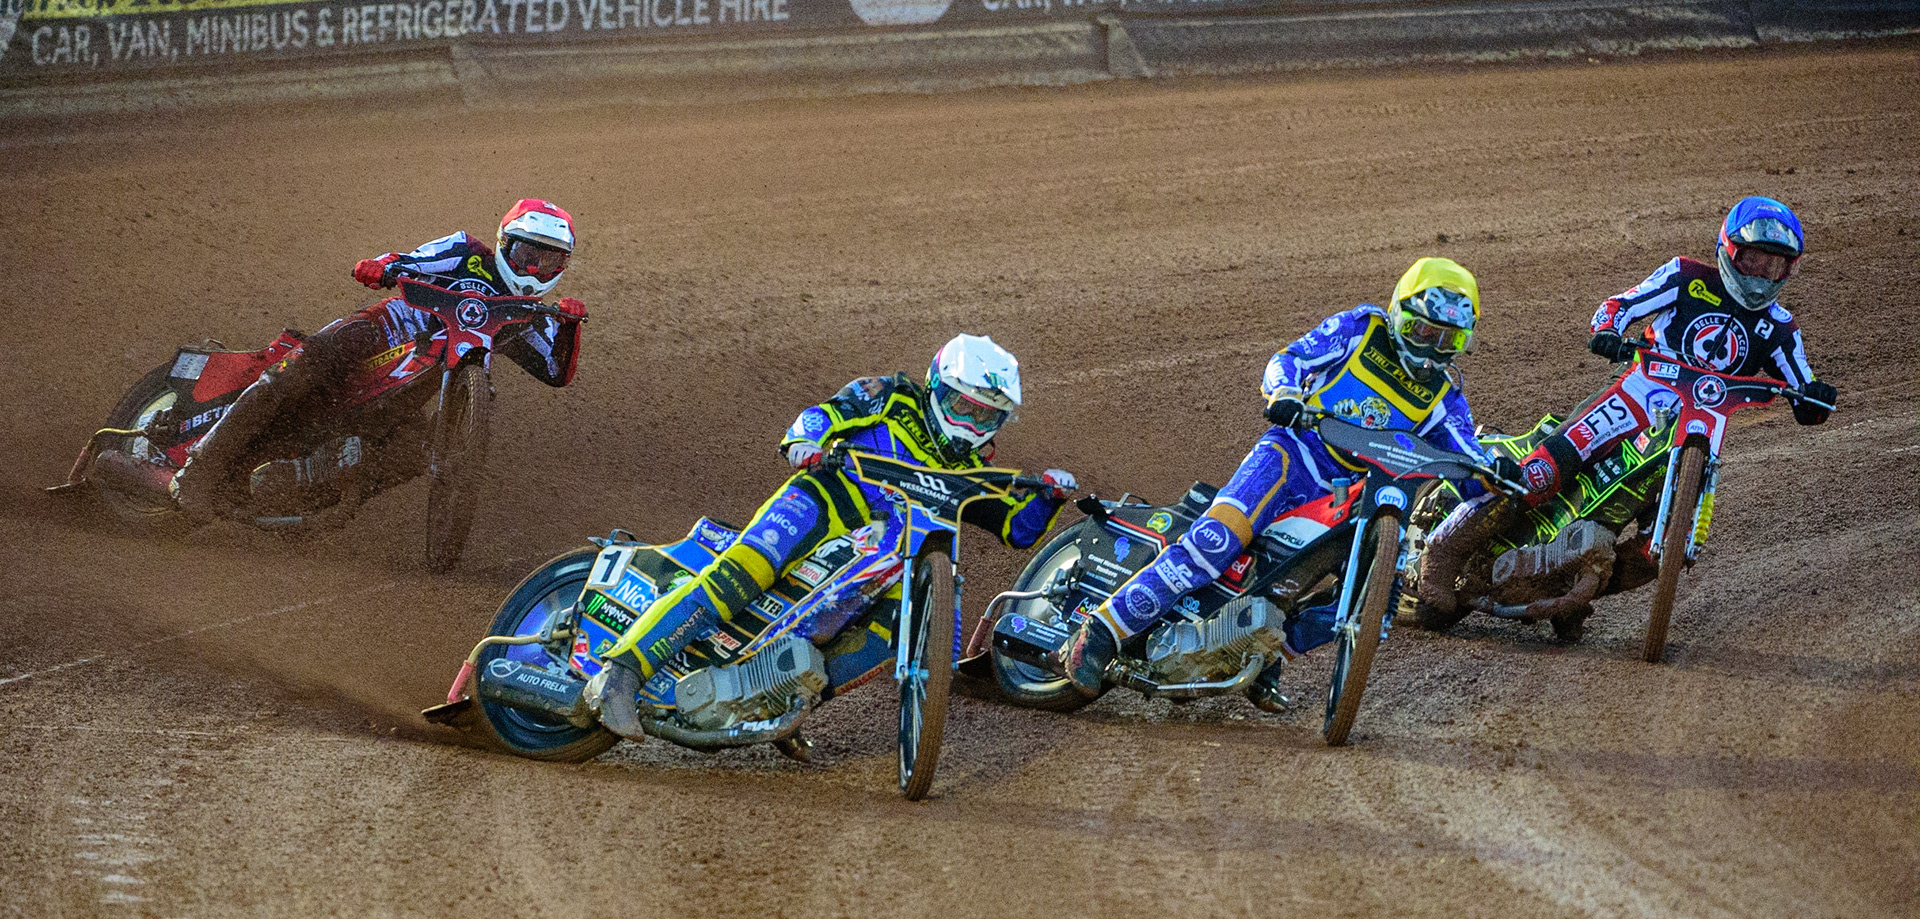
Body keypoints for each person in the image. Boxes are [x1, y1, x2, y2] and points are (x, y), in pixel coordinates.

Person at [1057, 257, 1522, 707]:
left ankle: (1262, 656)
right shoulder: (1360, 329)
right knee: (1215, 544)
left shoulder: (1446, 398)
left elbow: (1467, 460)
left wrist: (1497, 473)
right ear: (1400, 315)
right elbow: (1291, 358)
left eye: (1447, 340)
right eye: (1423, 332)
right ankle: (1100, 632)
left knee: (1371, 605)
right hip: (1291, 454)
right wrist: (1283, 393)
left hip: (1347, 494)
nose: (1430, 349)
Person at [586, 334, 1080, 739]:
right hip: (822, 502)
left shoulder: (972, 468)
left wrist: (1049, 498)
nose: (971, 424)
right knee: (748, 570)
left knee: (885, 635)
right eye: (963, 407)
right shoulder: (891, 395)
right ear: (936, 385)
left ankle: (777, 707)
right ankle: (619, 674)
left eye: (986, 416)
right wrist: (806, 442)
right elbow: (824, 414)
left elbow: (1017, 530)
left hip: (886, 551)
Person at [1418, 197, 1838, 614]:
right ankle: (1440, 556)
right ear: (1729, 251)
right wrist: (1608, 330)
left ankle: (1564, 586)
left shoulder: (1780, 328)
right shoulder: (1685, 276)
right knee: (1543, 471)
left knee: (1670, 548)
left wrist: (1816, 399)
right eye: (1754, 261)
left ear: (1790, 269)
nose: (1763, 276)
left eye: (1776, 265)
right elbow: (1620, 305)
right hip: (1638, 394)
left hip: (1705, 426)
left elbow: (1804, 384)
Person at [172, 199, 587, 518]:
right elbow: (412, 260)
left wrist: (570, 325)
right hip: (384, 330)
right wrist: (382, 266)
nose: (534, 268)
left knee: (410, 453)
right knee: (302, 366)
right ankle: (198, 470)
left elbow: (555, 370)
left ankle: (301, 488)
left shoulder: (528, 315)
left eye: (550, 261)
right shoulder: (466, 251)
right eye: (526, 254)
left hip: (411, 384)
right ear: (503, 244)